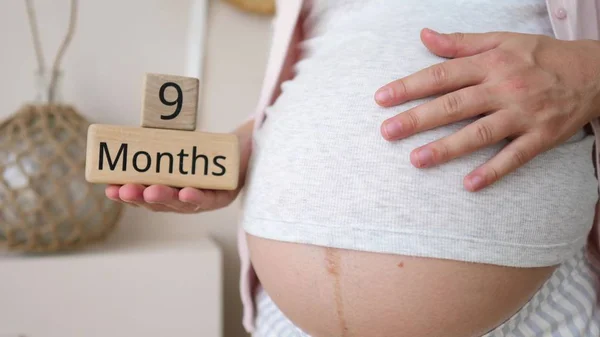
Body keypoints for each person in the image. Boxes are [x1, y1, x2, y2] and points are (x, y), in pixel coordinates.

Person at [107, 0, 600, 336]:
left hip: (528, 313)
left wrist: (588, 72)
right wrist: (244, 145)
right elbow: (333, 52)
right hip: (286, 321)